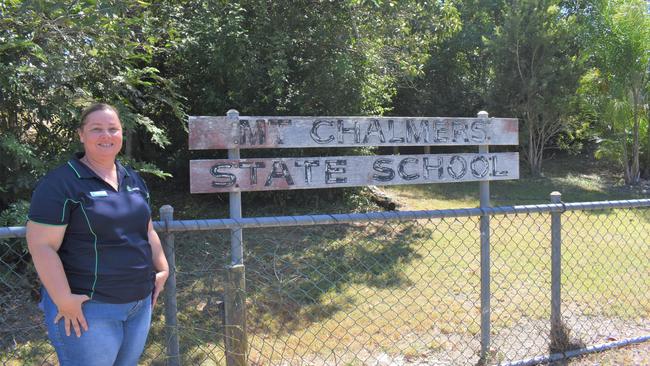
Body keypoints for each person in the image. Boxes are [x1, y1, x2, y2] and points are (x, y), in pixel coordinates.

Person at [26, 103, 169, 366]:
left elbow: (146, 229)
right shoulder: (61, 183)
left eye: (113, 129)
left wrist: (162, 268)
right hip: (89, 309)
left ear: (122, 135)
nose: (106, 135)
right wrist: (63, 299)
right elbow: (41, 246)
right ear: (81, 134)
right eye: (97, 129)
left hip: (138, 305)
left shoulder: (133, 180)